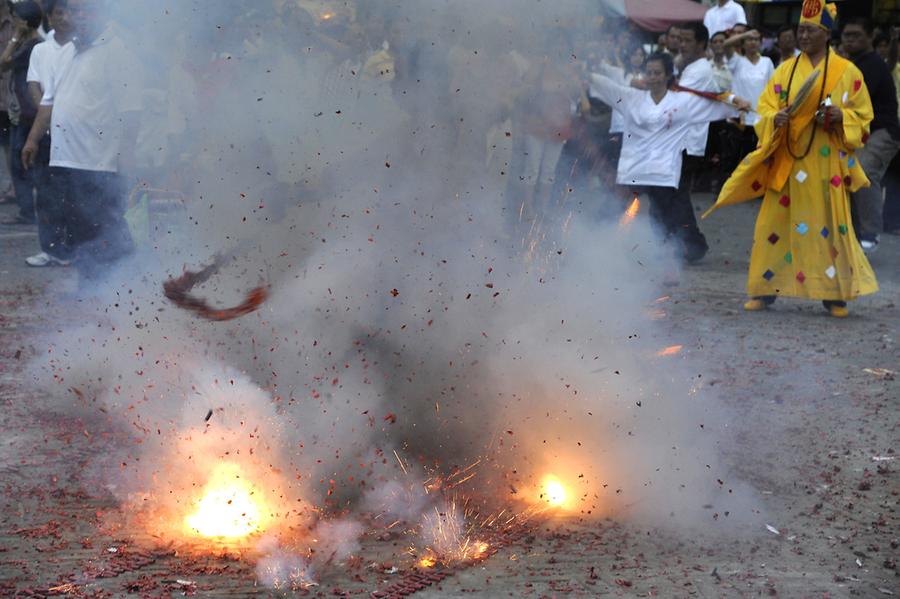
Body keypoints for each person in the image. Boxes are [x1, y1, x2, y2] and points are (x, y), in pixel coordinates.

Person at [704, 2, 877, 318]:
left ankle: (834, 294)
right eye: (801, 29)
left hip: (826, 165)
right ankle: (765, 289)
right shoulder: (786, 69)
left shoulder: (848, 72)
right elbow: (764, 109)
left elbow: (864, 117)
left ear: (826, 33)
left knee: (829, 224)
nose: (804, 34)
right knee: (775, 223)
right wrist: (775, 118)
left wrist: (842, 116)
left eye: (810, 30)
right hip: (789, 160)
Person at [22, 0, 141, 279]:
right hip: (65, 160)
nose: (80, 16)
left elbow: (131, 113)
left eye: (87, 10)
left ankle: (120, 292)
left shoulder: (118, 53)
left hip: (100, 163)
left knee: (107, 234)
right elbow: (48, 103)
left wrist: (126, 159)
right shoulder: (67, 53)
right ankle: (90, 293)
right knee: (78, 234)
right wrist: (32, 140)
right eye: (74, 10)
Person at [588, 52, 748, 258]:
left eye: (657, 73)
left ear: (668, 75)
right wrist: (587, 75)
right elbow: (607, 87)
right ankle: (593, 244)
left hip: (664, 172)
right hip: (634, 169)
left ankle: (675, 254)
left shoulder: (683, 102)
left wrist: (737, 104)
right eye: (649, 73)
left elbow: (715, 104)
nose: (652, 77)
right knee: (614, 208)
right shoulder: (631, 98)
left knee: (667, 219)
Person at [22, 0, 76, 267]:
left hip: (76, 134)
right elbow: (34, 85)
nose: (64, 18)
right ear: (50, 17)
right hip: (46, 132)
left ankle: (73, 248)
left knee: (73, 193)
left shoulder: (81, 49)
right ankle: (50, 248)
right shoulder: (41, 50)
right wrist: (47, 115)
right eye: (59, 13)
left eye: (69, 12)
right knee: (45, 192)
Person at [841, 17, 900, 253]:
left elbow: (849, 100)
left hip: (884, 131)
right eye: (847, 35)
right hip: (859, 132)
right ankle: (853, 236)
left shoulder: (873, 64)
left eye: (856, 35)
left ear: (869, 37)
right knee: (845, 177)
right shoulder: (848, 64)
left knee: (863, 172)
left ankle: (870, 232)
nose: (850, 40)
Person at [671, 22, 721, 262]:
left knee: (674, 192)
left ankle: (691, 244)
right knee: (673, 192)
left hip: (687, 142)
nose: (681, 45)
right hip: (682, 140)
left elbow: (677, 101)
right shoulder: (692, 67)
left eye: (687, 40)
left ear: (701, 43)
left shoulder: (700, 70)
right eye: (680, 39)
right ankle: (685, 243)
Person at [0, 0, 43, 226]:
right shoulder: (28, 44)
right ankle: (27, 210)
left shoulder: (32, 45)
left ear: (25, 22)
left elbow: (3, 62)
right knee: (19, 162)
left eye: (17, 18)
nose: (14, 21)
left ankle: (29, 212)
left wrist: (15, 36)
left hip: (29, 113)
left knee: (22, 163)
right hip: (22, 112)